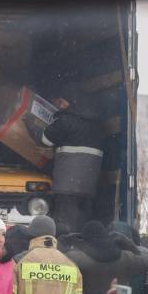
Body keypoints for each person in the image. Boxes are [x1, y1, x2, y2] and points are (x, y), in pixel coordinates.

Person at [37, 96, 105, 234]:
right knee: (81, 227)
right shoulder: (97, 125)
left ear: (73, 102)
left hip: (67, 187)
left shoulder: (66, 121)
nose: (60, 105)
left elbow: (45, 139)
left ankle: (65, 252)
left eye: (62, 101)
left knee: (64, 230)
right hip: (89, 187)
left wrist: (31, 124)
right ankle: (79, 250)